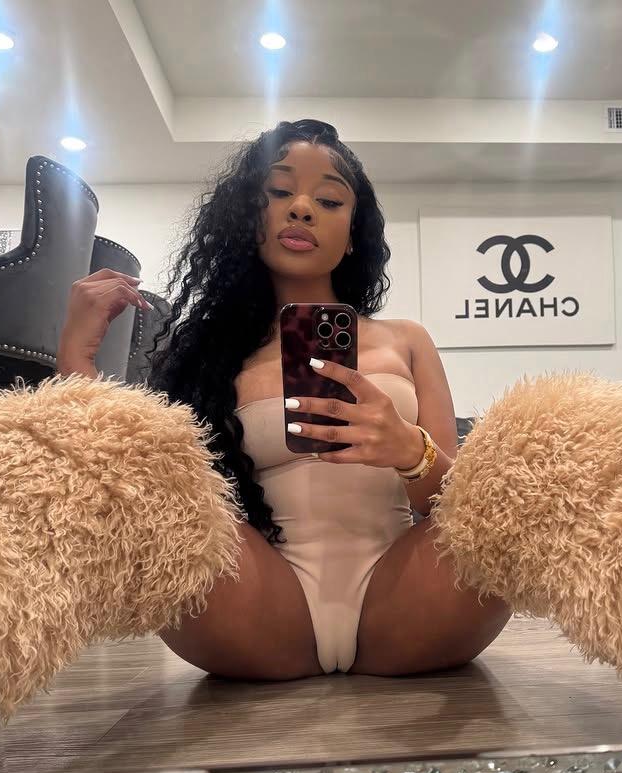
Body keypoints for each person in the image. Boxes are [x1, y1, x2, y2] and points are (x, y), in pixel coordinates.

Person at [56, 119, 513, 683]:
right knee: (155, 491)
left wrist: (408, 449)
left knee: (526, 466)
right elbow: (127, 485)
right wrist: (76, 352)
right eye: (278, 191)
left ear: (353, 235)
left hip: (411, 600)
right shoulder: (204, 359)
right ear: (247, 216)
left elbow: (459, 511)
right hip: (257, 606)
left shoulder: (407, 340)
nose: (301, 208)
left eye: (329, 200)